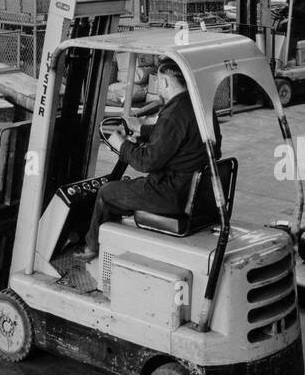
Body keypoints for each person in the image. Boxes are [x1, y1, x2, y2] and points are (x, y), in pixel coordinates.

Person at [75, 59, 221, 260]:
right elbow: (176, 135)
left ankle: (90, 248)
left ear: (167, 83)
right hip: (197, 193)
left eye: (159, 82)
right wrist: (140, 128)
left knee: (107, 192)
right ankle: (114, 242)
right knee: (125, 188)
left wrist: (122, 144)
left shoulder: (172, 114)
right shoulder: (200, 106)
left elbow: (147, 162)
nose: (159, 86)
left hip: (170, 193)